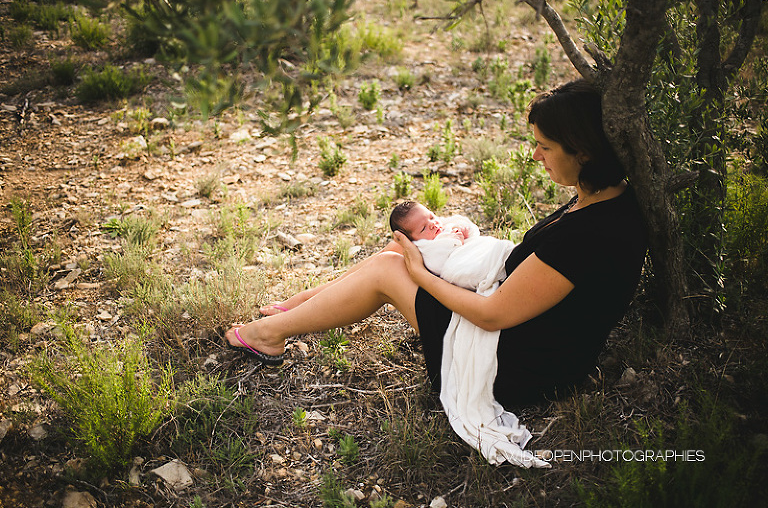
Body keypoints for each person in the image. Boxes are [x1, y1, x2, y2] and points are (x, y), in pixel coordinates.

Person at [225, 78, 648, 409]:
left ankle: (267, 332)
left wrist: (419, 276)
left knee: (393, 268)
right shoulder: (598, 200)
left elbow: (490, 316)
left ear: (584, 151)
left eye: (544, 146)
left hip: (514, 367)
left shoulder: (593, 233)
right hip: (528, 342)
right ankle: (298, 304)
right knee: (398, 253)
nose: (535, 156)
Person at [389, 201, 515, 290]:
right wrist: (453, 242)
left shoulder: (448, 225)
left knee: (497, 249)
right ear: (413, 241)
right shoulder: (425, 247)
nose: (432, 224)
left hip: (478, 250)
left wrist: (465, 230)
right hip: (461, 265)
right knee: (479, 268)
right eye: (423, 228)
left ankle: (503, 258)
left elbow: (474, 233)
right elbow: (437, 266)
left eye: (431, 217)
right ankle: (496, 269)